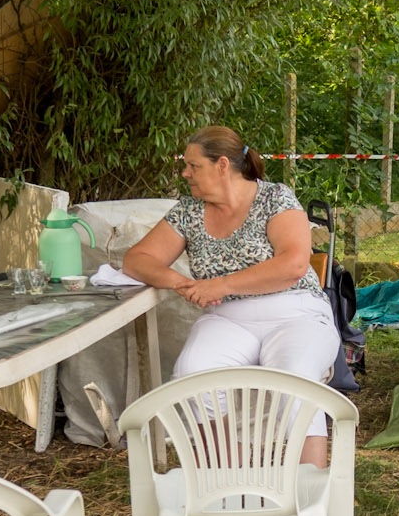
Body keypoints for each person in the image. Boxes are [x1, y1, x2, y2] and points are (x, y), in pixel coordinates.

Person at [123, 126, 339, 463]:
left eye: (193, 166)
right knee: (194, 372)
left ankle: (311, 500)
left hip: (297, 312)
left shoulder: (275, 198)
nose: (185, 173)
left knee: (295, 379)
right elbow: (137, 259)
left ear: (222, 165)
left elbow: (294, 264)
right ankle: (232, 486)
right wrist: (183, 284)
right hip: (228, 318)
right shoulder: (188, 211)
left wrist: (219, 285)